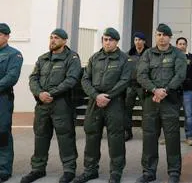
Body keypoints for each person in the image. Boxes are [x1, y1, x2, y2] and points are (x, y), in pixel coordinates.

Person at [21, 29, 81, 183]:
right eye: (51, 37)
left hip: (61, 104)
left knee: (65, 137)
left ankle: (69, 170)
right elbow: (33, 78)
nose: (52, 40)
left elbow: (71, 80)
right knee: (41, 136)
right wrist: (40, 93)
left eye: (56, 38)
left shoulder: (72, 58)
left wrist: (51, 94)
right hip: (42, 104)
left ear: (64, 41)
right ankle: (38, 169)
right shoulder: (43, 59)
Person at [73, 28, 132, 183]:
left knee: (116, 138)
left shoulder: (124, 59)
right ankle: (90, 170)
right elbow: (85, 79)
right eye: (105, 39)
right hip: (95, 102)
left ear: (116, 41)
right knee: (92, 136)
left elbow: (125, 81)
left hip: (115, 103)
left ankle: (116, 172)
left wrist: (108, 96)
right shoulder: (94, 58)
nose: (107, 42)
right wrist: (95, 95)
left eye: (110, 40)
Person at [136, 23, 187, 183]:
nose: (161, 37)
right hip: (151, 101)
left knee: (172, 138)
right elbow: (141, 75)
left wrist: (164, 90)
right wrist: (154, 90)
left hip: (169, 101)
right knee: (149, 137)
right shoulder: (148, 54)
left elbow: (180, 75)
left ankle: (174, 172)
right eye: (158, 34)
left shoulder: (178, 54)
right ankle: (149, 172)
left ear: (169, 37)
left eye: (164, 35)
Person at [0, 23, 23, 183]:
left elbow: (11, 77)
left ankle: (3, 169)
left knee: (2, 133)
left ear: (7, 36)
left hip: (2, 98)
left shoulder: (14, 54)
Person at [176, 37, 192, 146]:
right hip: (173, 91)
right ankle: (170, 137)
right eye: (180, 44)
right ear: (176, 45)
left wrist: (189, 81)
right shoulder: (172, 57)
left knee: (189, 115)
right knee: (172, 115)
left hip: (187, 91)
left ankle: (189, 137)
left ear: (186, 45)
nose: (182, 45)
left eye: (183, 44)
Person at [125, 32, 147, 141]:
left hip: (143, 86)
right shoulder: (128, 54)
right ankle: (127, 132)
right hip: (130, 86)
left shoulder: (149, 53)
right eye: (135, 40)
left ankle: (147, 133)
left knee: (146, 111)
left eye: (140, 39)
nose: (137, 42)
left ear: (144, 41)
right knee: (127, 110)